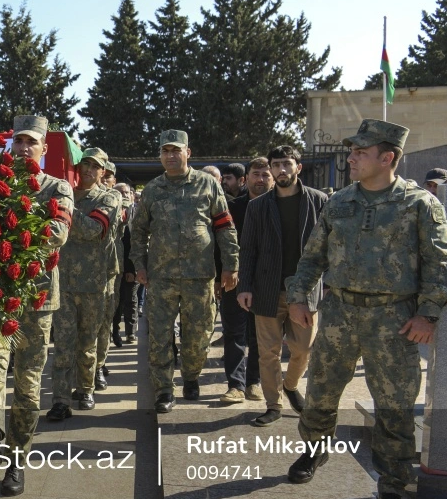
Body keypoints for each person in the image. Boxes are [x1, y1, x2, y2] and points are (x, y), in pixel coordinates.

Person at [284, 120, 447, 499]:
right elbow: (313, 256)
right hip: (340, 311)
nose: (353, 159)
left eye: (361, 152)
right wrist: (297, 297)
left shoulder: (419, 204)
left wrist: (427, 314)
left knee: (393, 405)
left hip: (394, 318)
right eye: (353, 151)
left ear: (387, 157)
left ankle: (392, 487)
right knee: (322, 391)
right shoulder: (339, 202)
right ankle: (315, 448)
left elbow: (440, 262)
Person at [0, 114, 72, 496]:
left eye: (32, 142)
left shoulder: (57, 187)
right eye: (19, 142)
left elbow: (57, 234)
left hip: (37, 298)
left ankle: (16, 459)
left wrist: (9, 239)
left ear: (44, 149)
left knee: (28, 386)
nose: (24, 148)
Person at [131, 130, 239, 413]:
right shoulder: (153, 189)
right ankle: (164, 391)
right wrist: (139, 265)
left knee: (197, 337)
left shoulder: (207, 184)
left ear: (188, 153)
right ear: (160, 155)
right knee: (160, 337)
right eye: (165, 151)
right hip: (161, 276)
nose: (170, 156)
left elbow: (225, 226)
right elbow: (139, 231)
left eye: (176, 150)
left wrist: (231, 265)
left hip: (200, 276)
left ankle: (191, 376)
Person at [237, 146, 327, 425]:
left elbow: (331, 246)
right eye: (276, 165)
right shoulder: (258, 206)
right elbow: (248, 248)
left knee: (303, 349)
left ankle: (290, 385)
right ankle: (273, 404)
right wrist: (245, 286)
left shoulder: (318, 201)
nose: (281, 170)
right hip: (266, 289)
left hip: (306, 291)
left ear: (298, 167)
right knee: (268, 352)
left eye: (287, 164)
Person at [50, 148, 121, 419]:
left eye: (96, 166)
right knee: (63, 345)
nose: (89, 170)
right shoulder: (64, 193)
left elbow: (93, 230)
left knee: (88, 343)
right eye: (85, 165)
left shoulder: (110, 197)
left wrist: (64, 209)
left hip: (94, 284)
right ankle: (59, 399)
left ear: (103, 172)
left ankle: (86, 388)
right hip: (64, 283)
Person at [217, 157, 271, 405]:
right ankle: (235, 385)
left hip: (266, 281)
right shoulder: (232, 207)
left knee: (260, 334)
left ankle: (254, 383)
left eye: (265, 174)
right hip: (235, 278)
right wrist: (222, 273)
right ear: (246, 178)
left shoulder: (277, 206)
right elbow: (222, 243)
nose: (260, 179)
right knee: (234, 332)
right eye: (255, 174)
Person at [93, 160, 124, 387]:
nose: (105, 179)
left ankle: (98, 366)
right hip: (79, 270)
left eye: (109, 175)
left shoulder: (113, 199)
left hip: (107, 269)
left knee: (104, 322)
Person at [112, 182, 138, 346]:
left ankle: (131, 332)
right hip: (112, 266)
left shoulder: (137, 213)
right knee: (115, 302)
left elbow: (135, 242)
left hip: (130, 265)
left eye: (127, 192)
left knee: (131, 300)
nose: (124, 195)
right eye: (120, 192)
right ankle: (115, 331)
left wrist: (132, 268)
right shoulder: (110, 210)